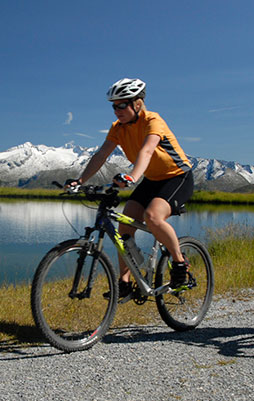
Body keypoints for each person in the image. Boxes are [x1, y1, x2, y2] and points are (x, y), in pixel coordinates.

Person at [66, 78, 194, 297]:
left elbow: (147, 151)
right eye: (114, 105)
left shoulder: (153, 120)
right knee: (124, 228)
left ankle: (180, 264)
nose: (117, 110)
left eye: (122, 104)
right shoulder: (118, 128)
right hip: (151, 180)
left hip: (177, 177)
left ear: (138, 103)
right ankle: (124, 283)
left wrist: (133, 177)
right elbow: (101, 155)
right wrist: (80, 181)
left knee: (153, 216)